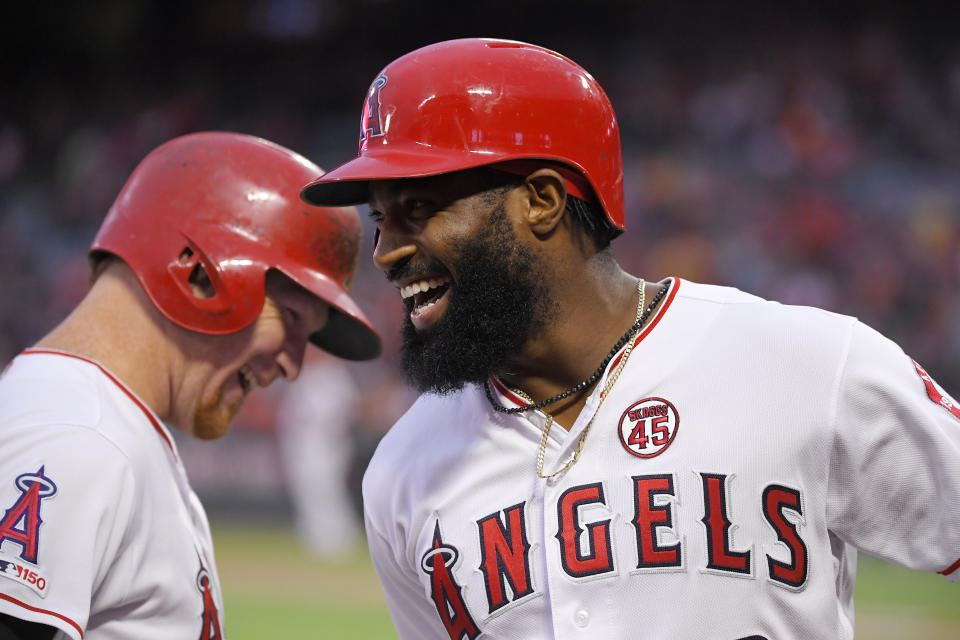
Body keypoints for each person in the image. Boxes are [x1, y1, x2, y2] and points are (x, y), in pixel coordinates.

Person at [300, 38, 960, 640]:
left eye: (418, 208)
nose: (385, 252)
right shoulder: (403, 469)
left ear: (542, 200)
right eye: (379, 218)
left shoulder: (808, 364)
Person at [0, 132, 381, 639]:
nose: (293, 363)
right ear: (198, 273)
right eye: (289, 316)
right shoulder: (77, 437)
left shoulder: (96, 419)